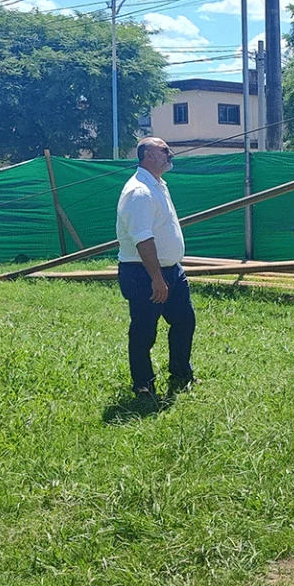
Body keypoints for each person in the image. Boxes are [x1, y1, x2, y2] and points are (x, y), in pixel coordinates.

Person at [116, 137, 196, 400]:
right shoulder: (139, 191)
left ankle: (180, 372)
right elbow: (143, 239)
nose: (170, 153)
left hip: (171, 270)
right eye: (164, 150)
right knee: (144, 329)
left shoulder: (158, 184)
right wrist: (157, 278)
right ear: (148, 155)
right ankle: (143, 384)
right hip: (144, 273)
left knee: (184, 321)